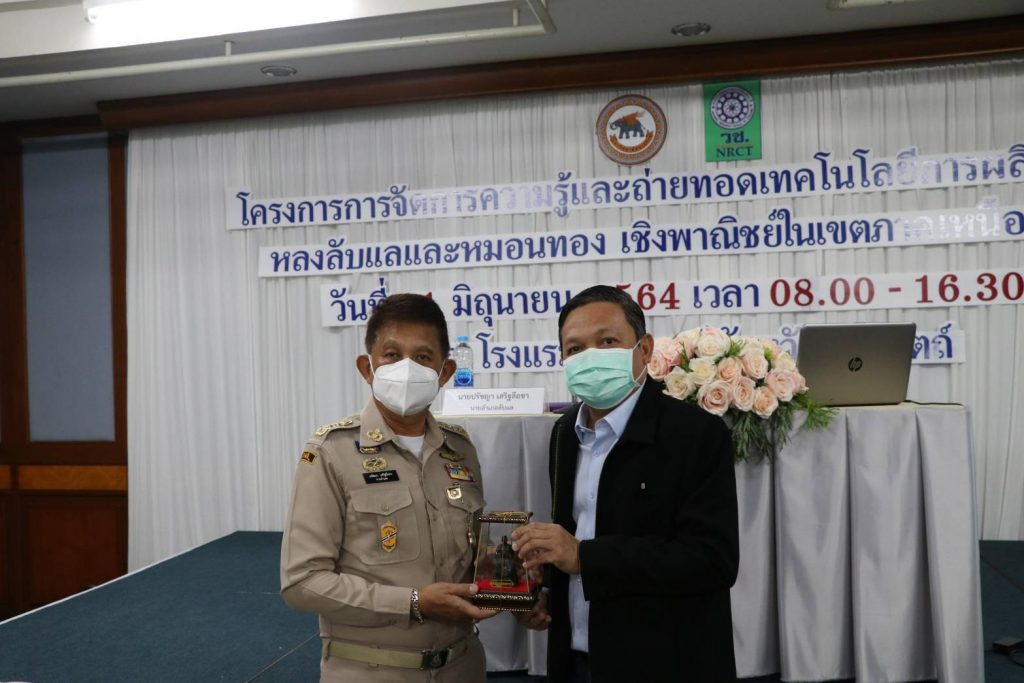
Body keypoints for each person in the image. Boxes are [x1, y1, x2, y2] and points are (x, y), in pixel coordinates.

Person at [511, 285, 740, 683]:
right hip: (577, 658)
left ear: (645, 349)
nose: (591, 357)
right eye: (575, 348)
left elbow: (712, 560)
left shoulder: (696, 433)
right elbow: (575, 534)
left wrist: (584, 557)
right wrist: (544, 593)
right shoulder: (565, 433)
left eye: (607, 342)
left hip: (666, 662)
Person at [280, 293, 497, 682]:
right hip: (372, 670)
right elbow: (302, 582)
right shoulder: (330, 452)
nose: (407, 368)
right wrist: (413, 603)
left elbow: (475, 557)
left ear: (445, 371)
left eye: (424, 357)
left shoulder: (460, 449)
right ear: (367, 368)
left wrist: (515, 580)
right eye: (392, 355)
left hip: (462, 667)